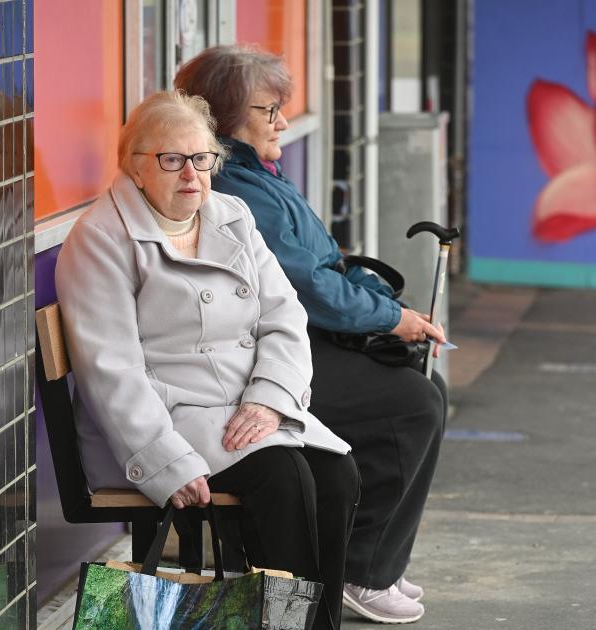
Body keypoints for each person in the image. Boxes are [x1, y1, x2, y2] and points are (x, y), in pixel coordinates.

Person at [55, 90, 359, 630]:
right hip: (169, 417)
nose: (191, 174)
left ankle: (315, 624)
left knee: (337, 472)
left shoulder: (230, 214)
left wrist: (270, 398)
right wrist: (164, 459)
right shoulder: (101, 238)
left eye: (202, 159)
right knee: (284, 477)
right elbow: (111, 369)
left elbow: (284, 316)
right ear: (135, 166)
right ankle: (289, 626)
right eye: (171, 160)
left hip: (241, 409)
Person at [175, 46, 449, 625]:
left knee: (421, 391)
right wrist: (389, 317)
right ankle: (362, 570)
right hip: (254, 368)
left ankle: (371, 564)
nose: (283, 122)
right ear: (224, 115)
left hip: (284, 349)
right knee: (413, 403)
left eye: (282, 109)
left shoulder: (260, 175)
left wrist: (387, 308)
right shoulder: (238, 188)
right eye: (269, 110)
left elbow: (319, 269)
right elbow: (307, 288)